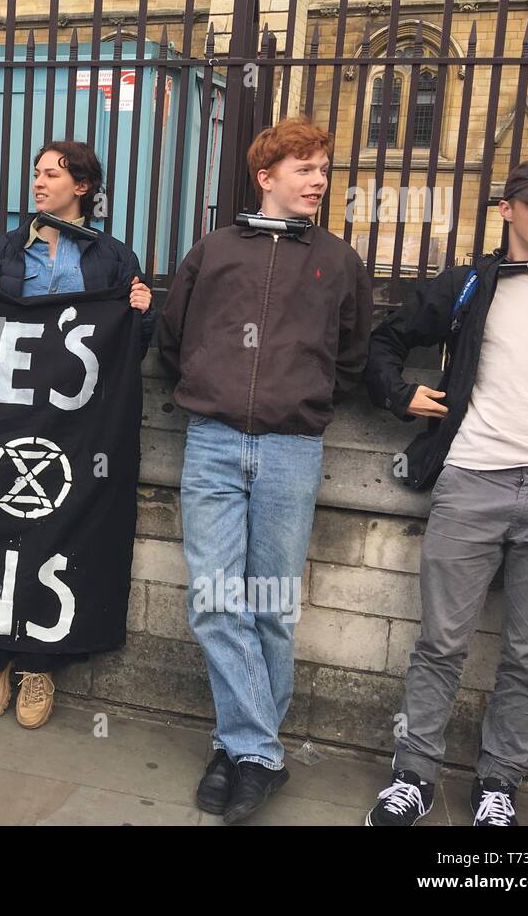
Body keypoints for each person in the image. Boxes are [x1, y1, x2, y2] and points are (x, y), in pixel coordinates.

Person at [363, 158, 528, 827]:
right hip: (472, 479)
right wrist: (400, 393)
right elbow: (386, 339)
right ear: (506, 210)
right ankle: (414, 775)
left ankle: (498, 785)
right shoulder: (472, 284)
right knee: (441, 641)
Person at [158, 118, 372, 823]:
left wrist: (302, 404)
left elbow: (350, 354)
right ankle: (259, 751)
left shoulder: (338, 260)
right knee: (216, 599)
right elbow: (175, 335)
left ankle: (239, 746)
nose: (317, 179)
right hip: (213, 439)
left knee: (273, 606)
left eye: (322, 168)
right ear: (266, 174)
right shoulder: (214, 250)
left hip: (290, 447)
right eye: (304, 167)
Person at [0, 140, 153, 728]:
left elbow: (130, 351)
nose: (40, 183)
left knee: (62, 535)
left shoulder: (115, 259)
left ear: (84, 188)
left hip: (79, 423)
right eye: (37, 173)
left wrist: (141, 313)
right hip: (7, 415)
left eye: (53, 174)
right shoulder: (2, 252)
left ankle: (41, 663)